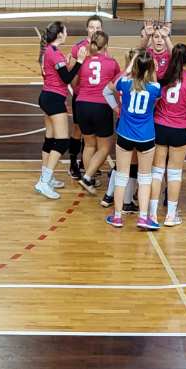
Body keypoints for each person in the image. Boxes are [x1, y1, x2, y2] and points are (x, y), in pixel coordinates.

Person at [107, 50, 161, 231]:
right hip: (146, 137)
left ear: (134, 67)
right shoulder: (155, 88)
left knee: (121, 176)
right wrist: (152, 69)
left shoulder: (125, 83)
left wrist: (131, 64)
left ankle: (117, 216)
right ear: (150, 68)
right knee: (145, 178)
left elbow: (114, 86)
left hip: (125, 135)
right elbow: (154, 85)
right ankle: (143, 217)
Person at [150, 43, 186, 226]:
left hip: (160, 127)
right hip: (180, 130)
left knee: (157, 172)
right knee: (175, 174)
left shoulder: (163, 77)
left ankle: (152, 214)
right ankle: (170, 216)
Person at [72, 31, 119, 193]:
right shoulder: (112, 63)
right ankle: (87, 177)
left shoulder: (83, 61)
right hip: (101, 106)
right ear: (106, 45)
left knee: (89, 144)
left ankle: (89, 178)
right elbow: (118, 84)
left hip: (82, 105)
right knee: (104, 147)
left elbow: (74, 84)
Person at [34, 21, 74, 200]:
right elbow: (66, 78)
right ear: (59, 34)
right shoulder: (54, 52)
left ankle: (46, 177)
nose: (67, 33)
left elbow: (56, 73)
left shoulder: (47, 51)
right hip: (54, 99)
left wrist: (67, 64)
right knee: (63, 142)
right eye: (66, 31)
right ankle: (44, 181)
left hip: (46, 96)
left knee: (50, 140)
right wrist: (79, 62)